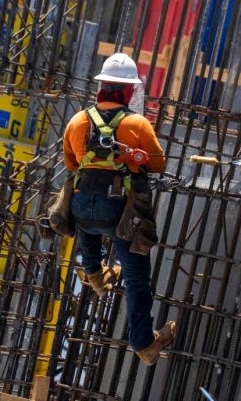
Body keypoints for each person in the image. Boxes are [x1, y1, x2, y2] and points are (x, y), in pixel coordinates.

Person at [62, 53, 176, 366]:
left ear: (101, 88)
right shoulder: (137, 123)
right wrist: (134, 159)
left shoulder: (77, 121)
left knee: (86, 211)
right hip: (121, 214)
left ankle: (95, 273)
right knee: (137, 275)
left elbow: (71, 164)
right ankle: (143, 343)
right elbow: (158, 163)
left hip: (83, 210)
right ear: (128, 92)